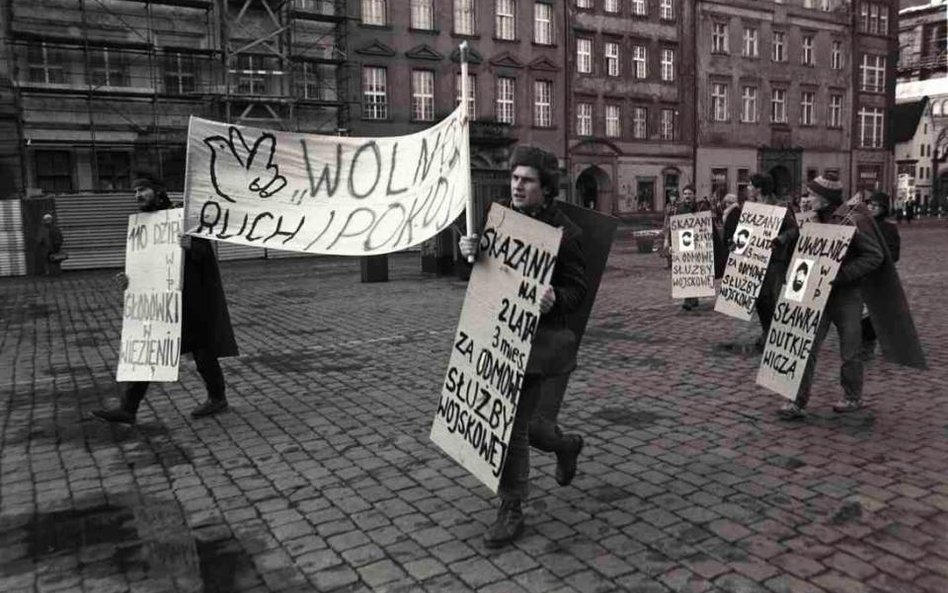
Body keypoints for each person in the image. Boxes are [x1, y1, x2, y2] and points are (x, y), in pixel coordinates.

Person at [459, 146, 587, 549]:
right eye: (514, 178)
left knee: (512, 425)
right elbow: (491, 270)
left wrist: (556, 298)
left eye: (527, 180)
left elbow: (577, 289)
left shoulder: (564, 232)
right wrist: (473, 251)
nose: (517, 185)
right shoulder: (499, 216)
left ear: (545, 188)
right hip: (496, 334)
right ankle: (566, 445)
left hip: (538, 342)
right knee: (525, 427)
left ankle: (511, 506)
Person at [93, 172, 239, 424]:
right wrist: (129, 280)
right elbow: (145, 266)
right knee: (149, 349)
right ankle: (129, 409)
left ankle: (218, 399)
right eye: (135, 191)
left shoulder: (182, 219)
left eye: (143, 189)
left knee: (203, 353)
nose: (138, 195)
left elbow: (206, 254)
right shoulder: (143, 226)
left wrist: (193, 246)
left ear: (158, 192)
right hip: (160, 303)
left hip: (191, 300)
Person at [778, 172, 884, 420]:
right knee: (805, 346)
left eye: (813, 194)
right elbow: (800, 244)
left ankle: (852, 397)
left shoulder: (851, 221)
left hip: (847, 296)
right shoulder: (811, 220)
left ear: (825, 199)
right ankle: (796, 401)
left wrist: (844, 274)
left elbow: (874, 256)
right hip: (816, 294)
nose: (808, 198)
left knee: (850, 351)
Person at [746, 173, 799, 348]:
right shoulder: (752, 207)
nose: (748, 187)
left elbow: (794, 230)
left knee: (773, 299)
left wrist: (780, 239)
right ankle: (767, 332)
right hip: (756, 259)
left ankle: (778, 337)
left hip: (776, 260)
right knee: (760, 299)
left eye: (750, 185)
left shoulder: (781, 207)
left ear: (759, 188)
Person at [861, 191, 901, 359]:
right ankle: (860, 342)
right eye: (870, 204)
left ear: (884, 209)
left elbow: (894, 253)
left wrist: (879, 258)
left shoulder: (889, 228)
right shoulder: (862, 225)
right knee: (859, 310)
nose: (872, 208)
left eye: (876, 206)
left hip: (879, 275)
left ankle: (869, 345)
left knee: (871, 312)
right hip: (862, 274)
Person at [663, 185, 700, 310]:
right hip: (684, 243)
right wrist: (669, 242)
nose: (687, 196)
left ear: (694, 194)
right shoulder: (679, 209)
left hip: (699, 245)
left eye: (689, 193)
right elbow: (672, 225)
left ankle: (694, 297)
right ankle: (688, 299)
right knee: (686, 271)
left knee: (696, 271)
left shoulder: (700, 207)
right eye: (685, 194)